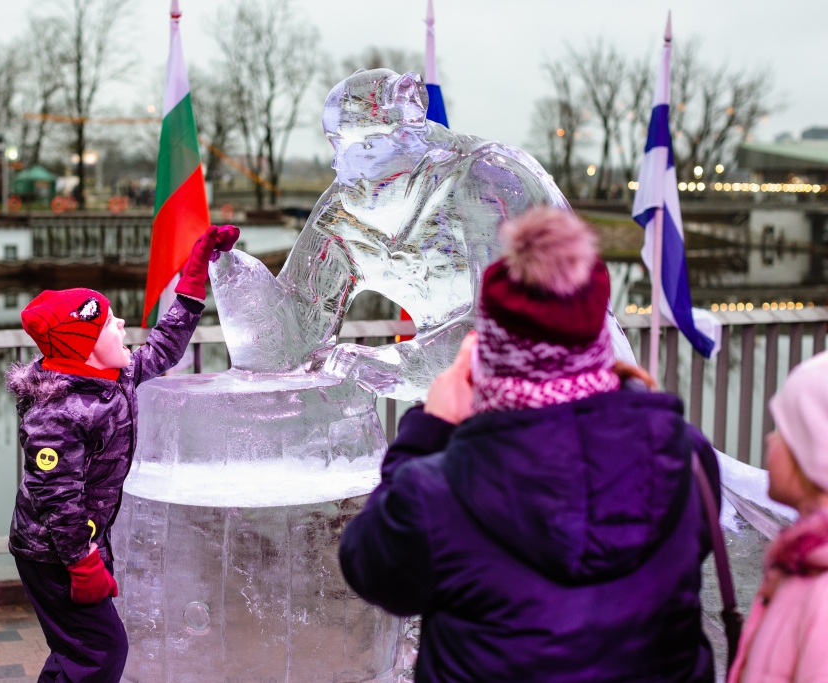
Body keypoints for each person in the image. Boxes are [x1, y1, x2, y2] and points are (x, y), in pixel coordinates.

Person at [339, 208, 720, 682]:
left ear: (488, 351)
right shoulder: (684, 456)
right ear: (596, 342)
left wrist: (429, 429)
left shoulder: (435, 492)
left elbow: (372, 569)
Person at [6, 224, 238, 683]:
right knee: (102, 649)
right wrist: (82, 564)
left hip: (81, 543)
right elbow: (56, 498)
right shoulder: (57, 412)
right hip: (52, 552)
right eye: (109, 322)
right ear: (84, 346)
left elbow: (165, 347)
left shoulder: (115, 376)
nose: (122, 325)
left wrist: (194, 274)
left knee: (76, 649)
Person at [728, 352, 828, 683]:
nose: (770, 439)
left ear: (815, 451)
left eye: (782, 430)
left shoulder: (821, 592)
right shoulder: (803, 561)